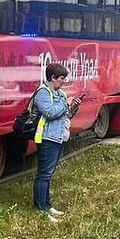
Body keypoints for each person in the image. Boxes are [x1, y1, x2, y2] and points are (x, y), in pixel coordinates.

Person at [33, 63, 81, 222]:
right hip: (47, 137)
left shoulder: (59, 93)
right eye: (61, 79)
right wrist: (65, 102)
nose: (63, 82)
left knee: (49, 173)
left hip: (59, 137)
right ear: (52, 78)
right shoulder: (43, 93)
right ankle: (39, 208)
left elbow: (65, 115)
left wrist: (73, 107)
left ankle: (46, 204)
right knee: (44, 174)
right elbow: (50, 112)